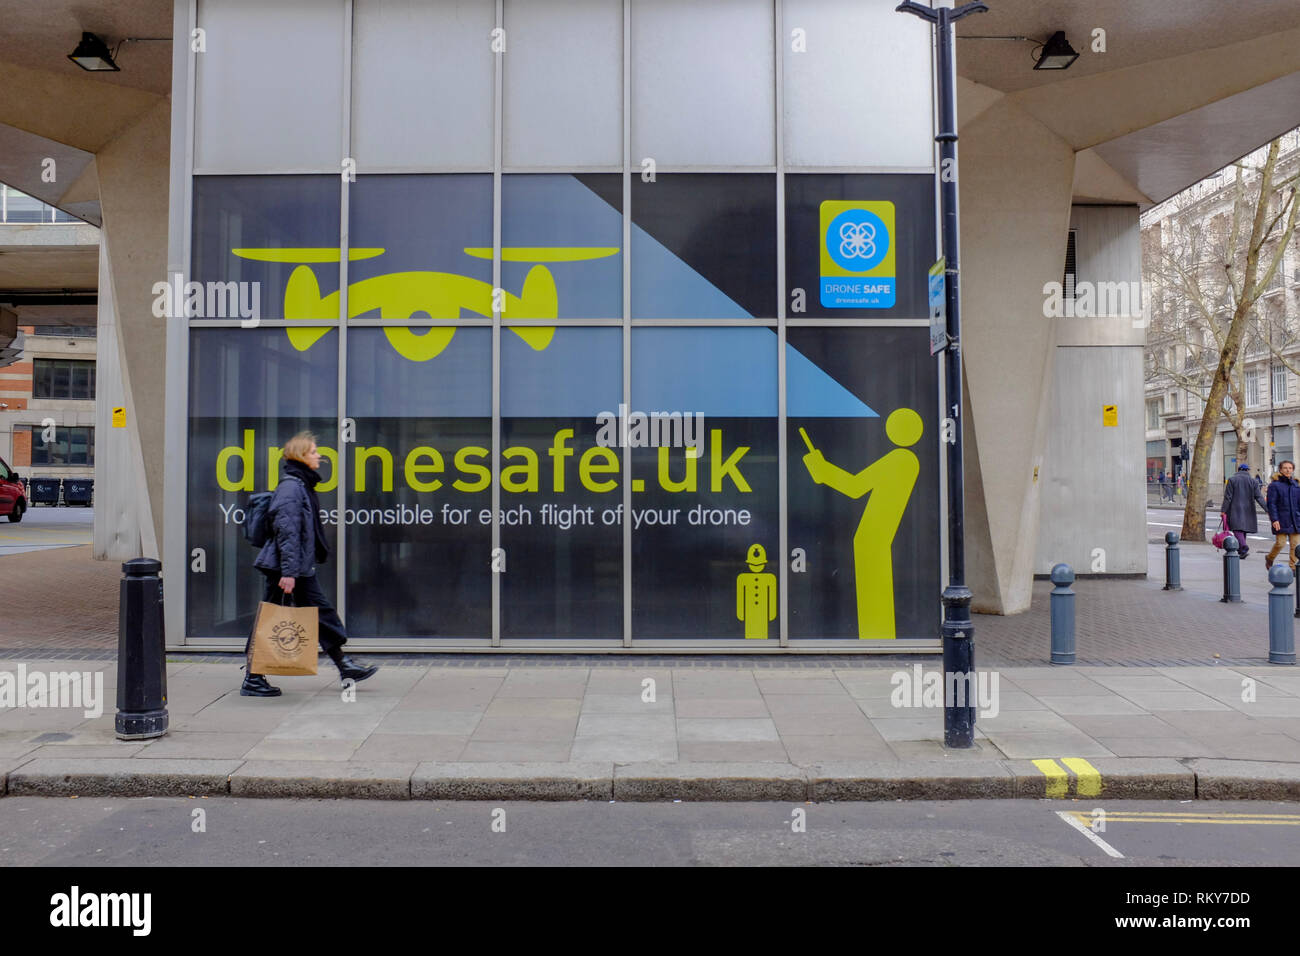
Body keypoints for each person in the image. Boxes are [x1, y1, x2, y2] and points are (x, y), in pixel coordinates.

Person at [242, 431, 378, 697]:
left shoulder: (301, 485)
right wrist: (290, 572)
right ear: (301, 456)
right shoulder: (292, 487)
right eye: (315, 452)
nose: (320, 456)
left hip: (296, 567)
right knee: (270, 620)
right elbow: (287, 531)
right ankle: (253, 678)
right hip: (288, 569)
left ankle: (344, 665)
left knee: (319, 614)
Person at [1221, 462, 1268, 559]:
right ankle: (1241, 551)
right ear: (1247, 471)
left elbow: (1228, 497)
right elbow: (1259, 497)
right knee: (1243, 530)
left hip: (1234, 508)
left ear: (1238, 470)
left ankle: (1243, 547)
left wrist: (1223, 510)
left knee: (1237, 529)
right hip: (1248, 509)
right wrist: (1267, 509)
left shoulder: (1232, 480)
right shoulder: (1253, 481)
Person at [1266, 460, 1300, 571]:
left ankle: (1293, 567)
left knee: (1295, 545)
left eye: (1290, 468)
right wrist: (1274, 519)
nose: (1288, 470)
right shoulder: (1275, 485)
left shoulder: (1296, 485)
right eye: (1285, 468)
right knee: (1280, 543)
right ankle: (1270, 557)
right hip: (1281, 520)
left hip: (1295, 520)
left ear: (1293, 470)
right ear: (1280, 470)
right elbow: (1272, 504)